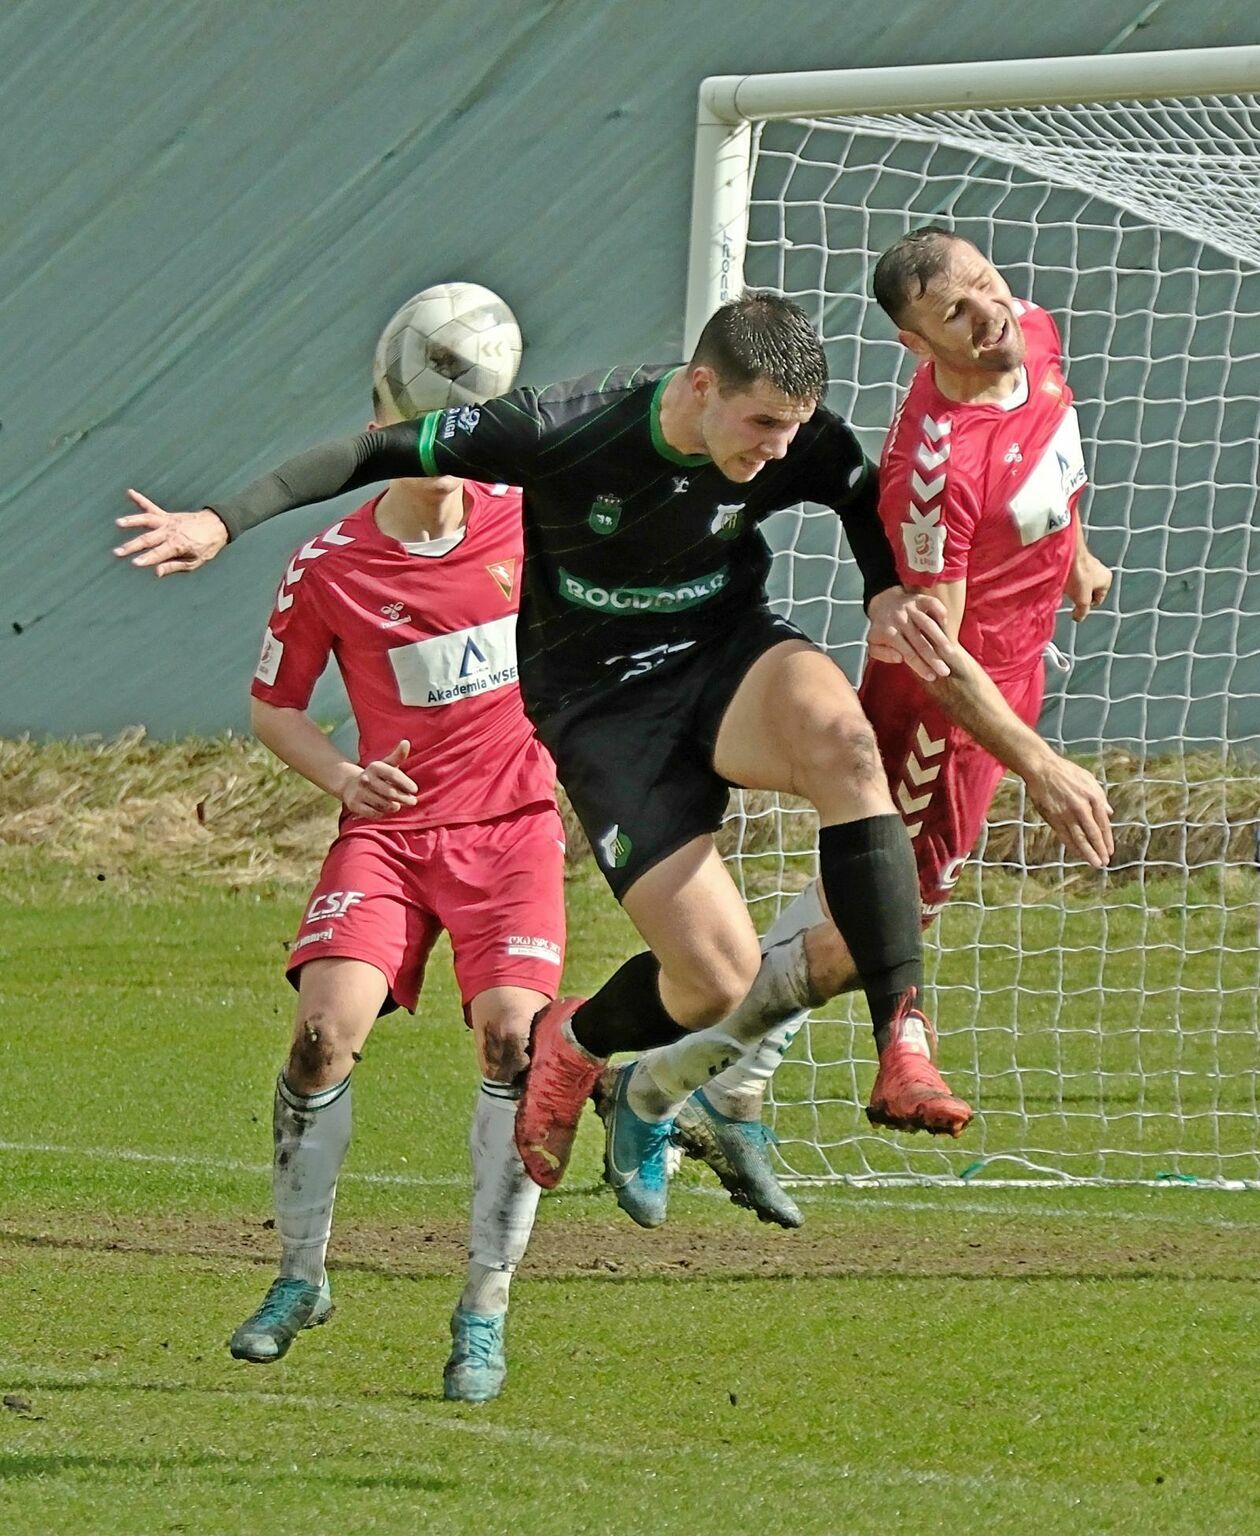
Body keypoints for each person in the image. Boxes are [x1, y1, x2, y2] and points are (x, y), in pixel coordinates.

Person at [117, 291, 983, 1237]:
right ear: (701, 387)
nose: (780, 448)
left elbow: (856, 493)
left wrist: (886, 588)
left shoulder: (796, 437)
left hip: (727, 653)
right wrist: (220, 520)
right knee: (716, 981)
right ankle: (575, 1048)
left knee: (847, 746)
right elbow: (372, 452)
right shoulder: (561, 428)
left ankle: (903, 1038)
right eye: (764, 424)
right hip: (603, 707)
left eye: (795, 427)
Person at [643, 228, 1115, 1228]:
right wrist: (1036, 763)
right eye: (956, 314)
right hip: (942, 709)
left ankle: (727, 1088)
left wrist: (1071, 549)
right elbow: (935, 653)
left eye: (988, 288)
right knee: (871, 931)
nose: (989, 317)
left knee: (849, 909)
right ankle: (660, 1080)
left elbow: (1054, 452)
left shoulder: (1030, 331)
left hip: (1018, 674)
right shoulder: (937, 467)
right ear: (913, 344)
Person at [169, 371, 565, 1402]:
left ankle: (483, 1311)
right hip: (386, 835)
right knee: (318, 1038)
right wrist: (344, 774)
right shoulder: (329, 564)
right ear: (378, 427)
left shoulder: (535, 521)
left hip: (511, 833)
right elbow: (276, 708)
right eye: (409, 424)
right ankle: (300, 1279)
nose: (436, 444)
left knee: (514, 1041)